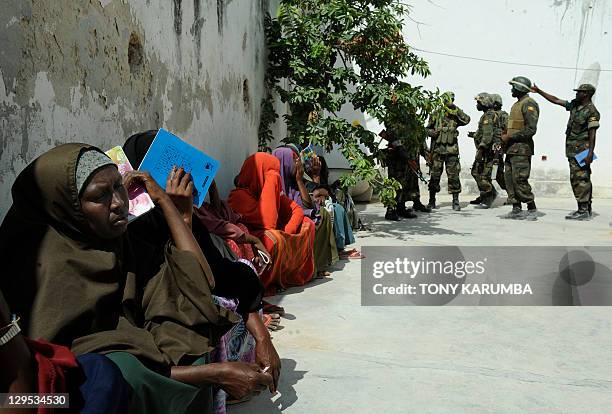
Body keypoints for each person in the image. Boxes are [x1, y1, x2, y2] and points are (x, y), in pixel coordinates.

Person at [0, 144, 273, 413]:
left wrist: (170, 206)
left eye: (119, 186)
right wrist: (213, 373)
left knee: (191, 336)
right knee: (124, 370)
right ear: (68, 207)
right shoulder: (48, 265)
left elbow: (200, 283)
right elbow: (56, 380)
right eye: (100, 196)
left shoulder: (121, 242)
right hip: (68, 395)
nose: (119, 203)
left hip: (124, 364)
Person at [122, 131, 281, 411]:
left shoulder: (180, 213)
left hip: (187, 304)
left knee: (240, 272)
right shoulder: (130, 226)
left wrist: (263, 338)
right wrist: (179, 215)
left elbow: (221, 276)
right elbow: (195, 287)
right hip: (160, 330)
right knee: (206, 318)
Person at [227, 152, 316, 295]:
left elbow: (297, 210)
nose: (276, 177)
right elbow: (268, 222)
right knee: (273, 238)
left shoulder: (266, 192)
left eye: (276, 173)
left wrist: (287, 232)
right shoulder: (239, 196)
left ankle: (292, 273)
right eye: (270, 172)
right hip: (250, 239)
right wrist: (271, 181)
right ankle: (266, 282)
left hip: (268, 232)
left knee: (307, 223)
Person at [531, 83, 600, 220]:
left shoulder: (592, 111)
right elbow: (556, 100)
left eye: (579, 92)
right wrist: (539, 91)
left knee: (580, 179)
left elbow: (592, 134)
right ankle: (585, 208)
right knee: (579, 178)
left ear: (586, 94)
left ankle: (583, 210)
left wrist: (590, 153)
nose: (576, 93)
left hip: (582, 150)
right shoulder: (575, 106)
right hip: (572, 149)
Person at [272, 146, 338, 277]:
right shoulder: (275, 183)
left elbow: (308, 204)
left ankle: (317, 265)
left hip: (298, 214)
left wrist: (300, 180)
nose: (298, 163)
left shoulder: (293, 182)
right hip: (284, 222)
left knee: (322, 213)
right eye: (294, 160)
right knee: (311, 222)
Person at [502, 76, 540, 220]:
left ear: (520, 88)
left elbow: (531, 129)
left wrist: (510, 137)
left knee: (520, 179)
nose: (511, 90)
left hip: (522, 150)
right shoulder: (515, 105)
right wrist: (505, 137)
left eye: (513, 87)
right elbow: (512, 127)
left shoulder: (529, 104)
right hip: (511, 149)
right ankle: (516, 208)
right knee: (509, 179)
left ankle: (531, 208)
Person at [426, 92, 471, 211]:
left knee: (454, 176)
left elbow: (467, 120)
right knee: (435, 176)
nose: (449, 101)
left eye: (451, 99)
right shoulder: (436, 114)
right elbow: (427, 129)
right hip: (437, 150)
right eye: (447, 99)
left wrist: (456, 109)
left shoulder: (456, 114)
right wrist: (432, 133)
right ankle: (432, 200)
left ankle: (455, 201)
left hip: (452, 151)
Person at [468, 93, 499, 209]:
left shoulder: (488, 116)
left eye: (478, 102)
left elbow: (487, 136)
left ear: (484, 103)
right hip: (486, 150)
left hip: (487, 152)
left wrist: (480, 151)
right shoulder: (487, 115)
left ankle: (489, 196)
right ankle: (486, 194)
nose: (477, 105)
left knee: (482, 175)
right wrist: (475, 135)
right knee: (477, 172)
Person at [491, 93, 508, 194]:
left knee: (498, 173)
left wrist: (501, 145)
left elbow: (507, 130)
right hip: (489, 148)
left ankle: (511, 194)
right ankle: (486, 194)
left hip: (497, 148)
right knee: (483, 172)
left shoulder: (502, 115)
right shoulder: (490, 115)